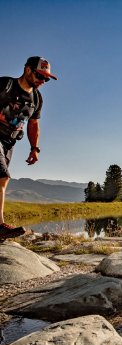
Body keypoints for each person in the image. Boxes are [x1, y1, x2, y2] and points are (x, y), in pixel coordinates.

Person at [0, 56, 57, 240]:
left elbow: (33, 124)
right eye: (40, 76)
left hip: (9, 142)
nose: (43, 81)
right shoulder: (5, 85)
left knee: (1, 180)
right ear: (27, 70)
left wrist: (35, 148)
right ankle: (0, 226)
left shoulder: (37, 99)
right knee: (3, 177)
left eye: (46, 78)